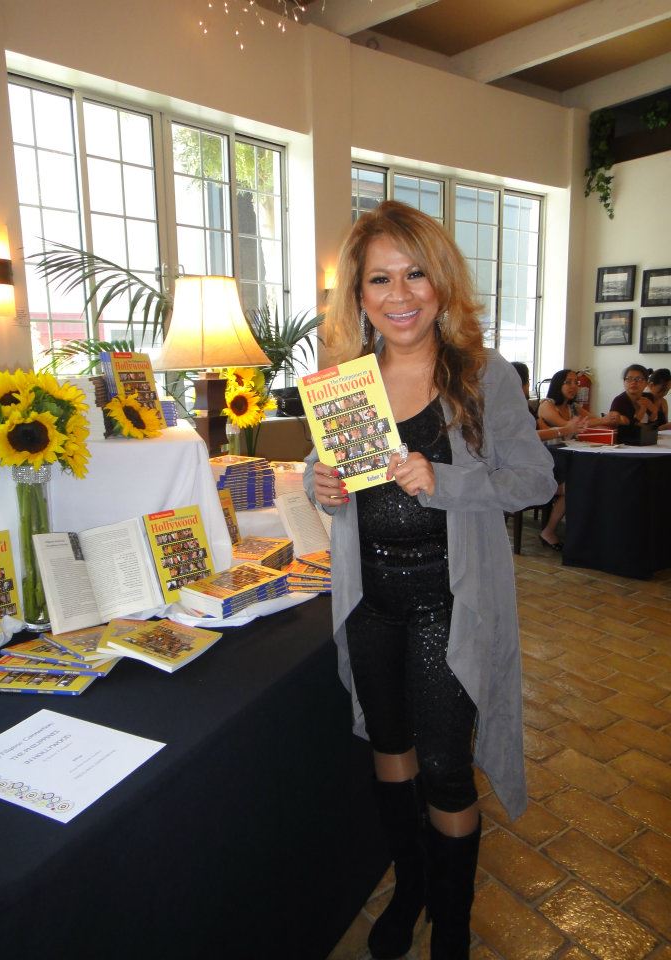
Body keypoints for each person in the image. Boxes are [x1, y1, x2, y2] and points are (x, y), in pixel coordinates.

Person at [304, 201, 556, 960]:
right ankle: (410, 883)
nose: (400, 293)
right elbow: (344, 493)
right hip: (370, 603)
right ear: (358, 295)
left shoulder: (483, 375)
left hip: (449, 602)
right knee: (389, 749)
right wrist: (324, 485)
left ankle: (451, 919)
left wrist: (444, 480)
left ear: (441, 282)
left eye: (416, 272)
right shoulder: (346, 385)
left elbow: (533, 479)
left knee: (447, 769)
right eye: (379, 278)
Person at [510, 362, 587, 550]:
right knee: (574, 485)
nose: (528, 386)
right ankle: (549, 531)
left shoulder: (524, 407)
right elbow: (528, 436)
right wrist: (562, 430)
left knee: (578, 478)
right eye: (526, 382)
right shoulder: (513, 408)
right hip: (518, 471)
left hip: (535, 462)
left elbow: (540, 431)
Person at [537, 369, 616, 432]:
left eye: (576, 382)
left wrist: (611, 420)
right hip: (549, 450)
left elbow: (595, 419)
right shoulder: (546, 404)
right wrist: (603, 420)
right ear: (558, 385)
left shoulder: (573, 406)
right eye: (568, 382)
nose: (574, 386)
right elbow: (566, 425)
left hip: (568, 448)